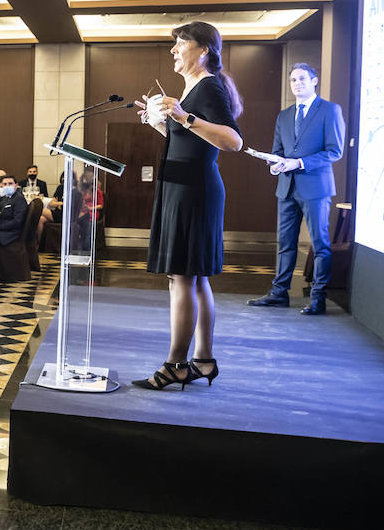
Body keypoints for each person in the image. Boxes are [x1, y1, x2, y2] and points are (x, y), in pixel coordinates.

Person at [132, 21, 244, 390]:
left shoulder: (209, 86)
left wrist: (183, 116)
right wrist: (160, 123)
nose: (173, 50)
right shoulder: (193, 87)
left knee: (182, 277)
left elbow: (232, 141)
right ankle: (204, 360)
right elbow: (188, 139)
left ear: (204, 50)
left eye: (180, 43)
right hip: (181, 187)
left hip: (195, 190)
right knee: (193, 278)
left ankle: (176, 365)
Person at [244, 62, 347, 315]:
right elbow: (279, 152)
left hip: (316, 188)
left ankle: (318, 298)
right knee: (285, 243)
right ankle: (279, 294)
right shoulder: (284, 115)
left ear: (314, 81)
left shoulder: (330, 110)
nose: (297, 84)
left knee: (320, 244)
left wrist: (299, 162)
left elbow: (335, 151)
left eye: (302, 79)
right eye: (293, 80)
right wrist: (276, 165)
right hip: (287, 188)